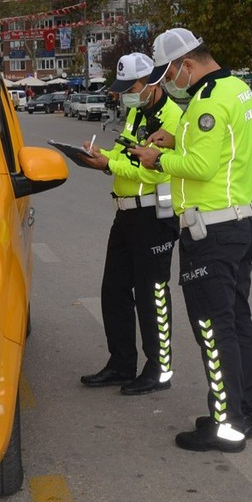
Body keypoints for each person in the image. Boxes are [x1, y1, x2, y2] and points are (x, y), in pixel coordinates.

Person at [128, 27, 252, 453]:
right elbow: (220, 149)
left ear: (186, 65)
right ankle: (241, 412)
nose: (166, 83)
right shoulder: (237, 88)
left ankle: (226, 427)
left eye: (167, 74)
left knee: (212, 327)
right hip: (239, 222)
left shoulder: (206, 100)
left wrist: (157, 156)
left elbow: (201, 165)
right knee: (237, 322)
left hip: (211, 231)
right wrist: (176, 137)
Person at [77, 53, 184, 395]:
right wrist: (102, 157)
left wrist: (108, 167)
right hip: (125, 213)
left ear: (152, 83)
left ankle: (158, 369)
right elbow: (126, 155)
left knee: (152, 295)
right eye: (123, 89)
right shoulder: (138, 111)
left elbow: (155, 169)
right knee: (114, 290)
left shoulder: (174, 118)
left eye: (132, 87)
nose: (127, 95)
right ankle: (121, 364)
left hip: (154, 215)